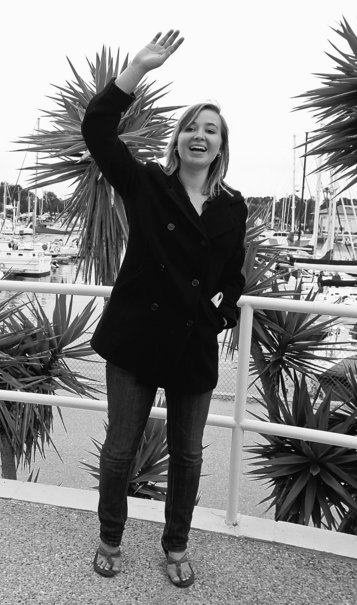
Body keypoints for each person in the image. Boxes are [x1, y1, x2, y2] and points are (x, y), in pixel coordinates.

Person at [81, 30, 247, 588]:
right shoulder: (147, 184)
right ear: (176, 141)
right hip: (136, 339)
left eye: (211, 131)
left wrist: (218, 314)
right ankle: (110, 536)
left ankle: (176, 545)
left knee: (189, 457)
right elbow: (97, 130)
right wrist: (136, 70)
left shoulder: (232, 206)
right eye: (191, 128)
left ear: (221, 147)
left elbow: (233, 276)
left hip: (192, 343)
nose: (199, 137)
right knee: (121, 448)